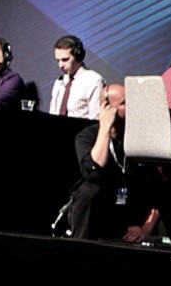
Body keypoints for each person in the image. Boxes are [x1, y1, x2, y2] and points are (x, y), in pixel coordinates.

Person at [67, 84, 160, 241]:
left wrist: (145, 228)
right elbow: (94, 170)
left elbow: (158, 190)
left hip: (129, 209)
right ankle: (80, 249)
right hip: (100, 209)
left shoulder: (140, 139)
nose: (132, 107)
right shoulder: (87, 136)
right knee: (90, 190)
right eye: (124, 103)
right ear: (107, 109)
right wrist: (105, 127)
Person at [49, 35, 106, 119]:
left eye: (65, 60)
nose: (60, 65)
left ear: (78, 57)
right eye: (58, 60)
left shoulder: (94, 81)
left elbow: (95, 120)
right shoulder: (59, 82)